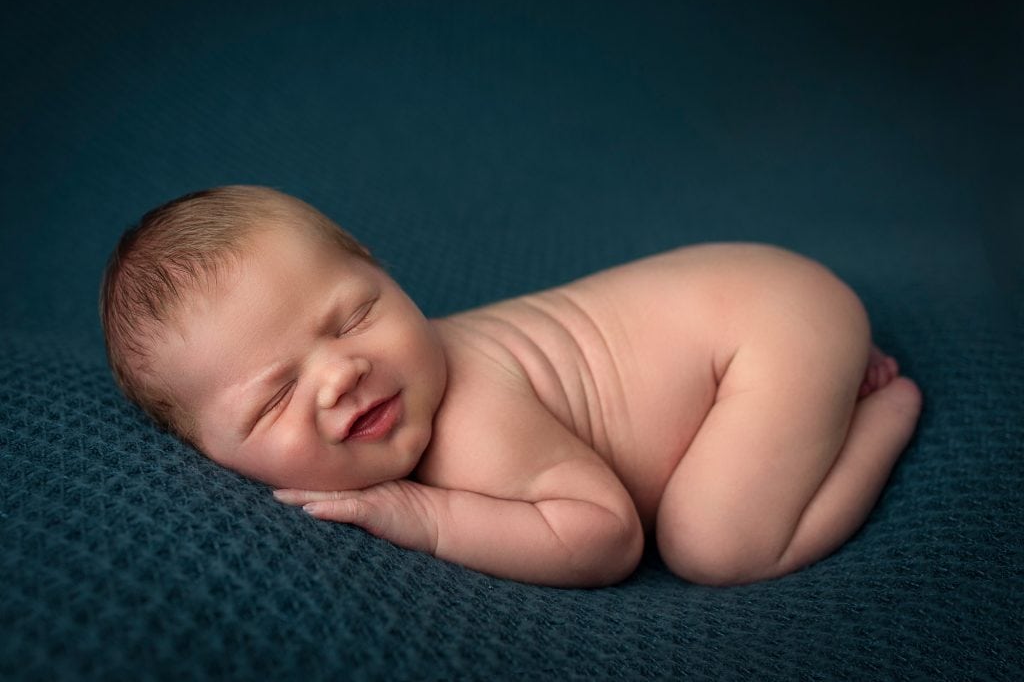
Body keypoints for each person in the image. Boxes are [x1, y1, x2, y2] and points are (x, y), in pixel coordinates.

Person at [100, 185, 922, 587]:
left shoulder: (472, 418)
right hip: (749, 300)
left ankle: (883, 407)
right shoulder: (393, 389)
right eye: (275, 397)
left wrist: (431, 516)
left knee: (715, 543)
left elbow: (605, 536)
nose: (342, 372)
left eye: (354, 317)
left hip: (768, 325)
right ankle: (833, 382)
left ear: (386, 272)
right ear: (208, 451)